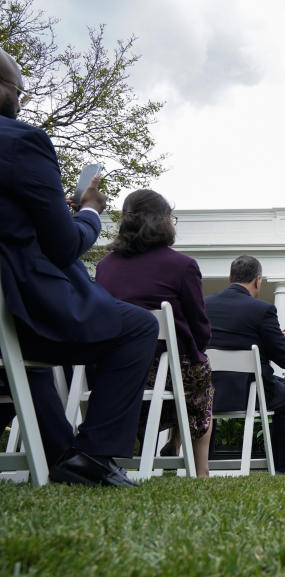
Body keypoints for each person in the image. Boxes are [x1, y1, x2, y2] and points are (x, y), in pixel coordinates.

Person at [0, 49, 157, 487]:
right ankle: (92, 454)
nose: (22, 102)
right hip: (22, 304)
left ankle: (63, 456)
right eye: (18, 90)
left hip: (10, 305)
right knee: (138, 327)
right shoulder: (21, 141)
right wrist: (88, 212)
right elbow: (64, 246)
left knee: (27, 361)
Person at [95, 189, 214, 477]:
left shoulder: (104, 266)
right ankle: (200, 470)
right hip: (167, 371)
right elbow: (200, 329)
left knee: (181, 373)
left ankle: (162, 443)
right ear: (163, 221)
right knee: (202, 379)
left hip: (110, 371)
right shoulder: (183, 265)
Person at [204, 255, 285, 473]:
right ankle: (280, 467)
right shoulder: (262, 310)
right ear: (257, 281)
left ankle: (205, 460)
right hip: (249, 392)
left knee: (254, 379)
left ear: (229, 278)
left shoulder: (204, 305)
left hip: (208, 389)